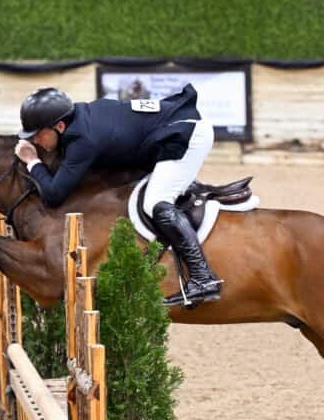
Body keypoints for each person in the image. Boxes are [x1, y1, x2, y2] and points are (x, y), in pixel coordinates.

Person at [13, 84, 221, 306]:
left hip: (185, 136)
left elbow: (54, 195)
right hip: (170, 129)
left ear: (60, 126)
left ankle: (203, 278)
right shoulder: (80, 118)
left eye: (37, 135)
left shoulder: (84, 139)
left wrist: (32, 161)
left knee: (155, 202)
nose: (35, 141)